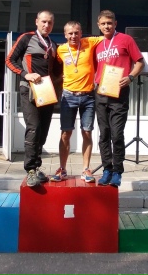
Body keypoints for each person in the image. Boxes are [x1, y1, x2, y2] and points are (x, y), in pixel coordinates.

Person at [6, 10, 62, 187]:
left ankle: (37, 167)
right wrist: (25, 74)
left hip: (46, 91)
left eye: (50, 22)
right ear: (36, 21)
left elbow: (57, 71)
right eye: (43, 21)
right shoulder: (26, 38)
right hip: (29, 89)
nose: (46, 25)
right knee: (34, 127)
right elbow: (9, 61)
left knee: (43, 130)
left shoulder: (53, 45)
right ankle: (30, 170)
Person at [94, 10, 144, 187]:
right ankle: (106, 169)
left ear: (115, 23)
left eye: (109, 23)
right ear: (99, 25)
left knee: (116, 134)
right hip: (101, 93)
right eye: (103, 24)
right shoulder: (97, 44)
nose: (106, 26)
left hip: (119, 94)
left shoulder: (126, 39)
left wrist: (130, 77)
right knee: (104, 134)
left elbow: (140, 62)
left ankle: (117, 171)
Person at [51, 21, 103, 183]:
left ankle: (86, 169)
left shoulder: (90, 42)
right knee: (65, 133)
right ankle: (62, 169)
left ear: (81, 33)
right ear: (65, 35)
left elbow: (108, 37)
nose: (73, 36)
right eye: (70, 33)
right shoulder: (60, 50)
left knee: (87, 132)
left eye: (76, 32)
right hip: (68, 96)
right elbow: (53, 68)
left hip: (88, 96)